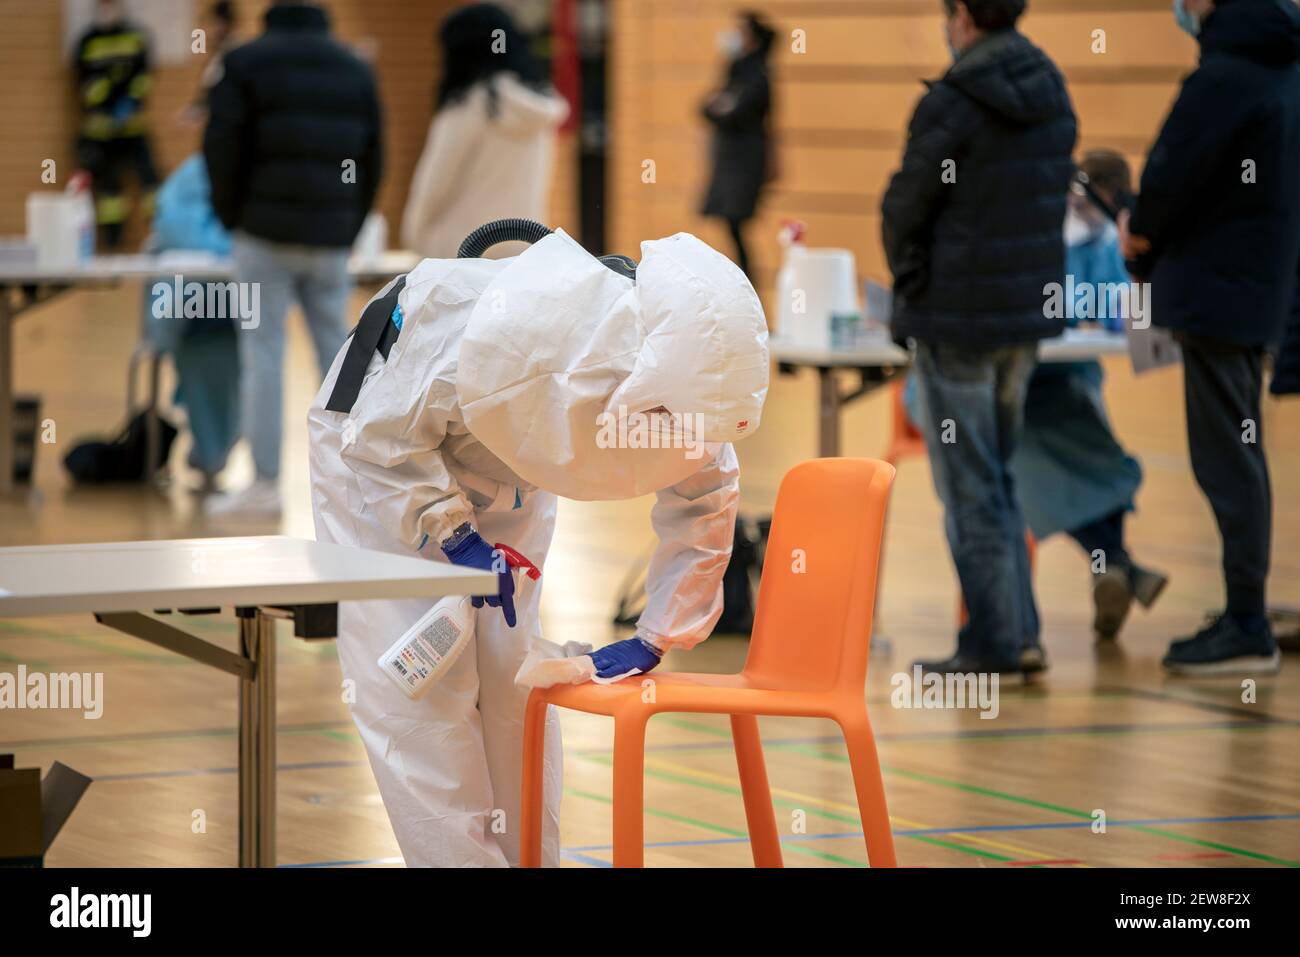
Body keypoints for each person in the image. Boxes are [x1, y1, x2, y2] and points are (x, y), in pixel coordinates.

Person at [308, 228, 769, 867]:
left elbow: (707, 496)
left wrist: (659, 632)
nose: (681, 438)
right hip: (378, 457)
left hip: (513, 465)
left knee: (515, 682)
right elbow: (384, 440)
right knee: (417, 694)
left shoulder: (693, 385)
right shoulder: (491, 336)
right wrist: (453, 535)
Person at [881, 0, 1077, 676]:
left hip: (957, 320)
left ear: (961, 14)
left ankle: (995, 642)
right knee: (999, 474)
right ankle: (1019, 634)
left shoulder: (956, 99)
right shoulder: (1053, 92)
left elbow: (906, 204)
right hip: (1023, 318)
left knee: (971, 487)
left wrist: (913, 285)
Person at [1123, 0, 1300, 676]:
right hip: (1258, 290)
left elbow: (1171, 177)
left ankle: (1247, 623)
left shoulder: (1225, 75)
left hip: (1218, 295)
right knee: (1240, 454)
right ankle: (1244, 614)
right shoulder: (1283, 67)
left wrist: (1140, 236)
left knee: (1227, 460)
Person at [203, 0, 383, 518]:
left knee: (262, 358)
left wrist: (233, 215)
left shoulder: (243, 63)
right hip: (330, 238)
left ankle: (263, 485)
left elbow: (221, 148)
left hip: (261, 236)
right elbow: (375, 158)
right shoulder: (354, 68)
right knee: (341, 360)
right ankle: (358, 479)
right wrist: (348, 223)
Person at [1012, 151, 1168, 638]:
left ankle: (1113, 569)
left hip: (1070, 378)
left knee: (1101, 458)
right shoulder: (1033, 231)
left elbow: (1131, 319)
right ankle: (1116, 566)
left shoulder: (1103, 243)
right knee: (1061, 459)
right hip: (1020, 388)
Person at [401, 4, 568, 260]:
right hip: (521, 249)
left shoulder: (468, 105)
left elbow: (432, 189)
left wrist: (415, 238)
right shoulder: (538, 106)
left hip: (462, 252)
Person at [143, 155, 240, 489]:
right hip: (196, 308)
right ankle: (211, 455)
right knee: (213, 376)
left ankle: (211, 454)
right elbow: (180, 229)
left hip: (235, 307)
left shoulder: (250, 168)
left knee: (238, 382)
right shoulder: (194, 176)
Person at [74, 0, 160, 250]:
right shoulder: (87, 41)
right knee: (110, 193)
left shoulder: (136, 36)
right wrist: (109, 102)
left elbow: (144, 76)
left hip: (133, 128)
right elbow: (85, 83)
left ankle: (161, 235)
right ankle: (113, 244)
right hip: (101, 131)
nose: (107, 9)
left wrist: (131, 100)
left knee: (151, 184)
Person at [700, 11, 776, 279]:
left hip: (745, 163)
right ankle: (742, 279)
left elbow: (732, 112)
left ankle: (748, 283)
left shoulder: (757, 76)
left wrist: (721, 107)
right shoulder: (736, 73)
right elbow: (706, 108)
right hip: (730, 160)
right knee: (729, 223)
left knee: (736, 222)